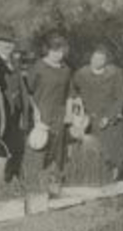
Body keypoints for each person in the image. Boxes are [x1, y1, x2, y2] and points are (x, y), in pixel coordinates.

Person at [21, 34, 72, 188]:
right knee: (39, 147)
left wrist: (68, 113)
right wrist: (35, 113)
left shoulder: (66, 70)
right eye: (54, 50)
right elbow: (28, 92)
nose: (58, 54)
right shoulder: (38, 67)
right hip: (41, 113)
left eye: (61, 51)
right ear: (47, 50)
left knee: (57, 150)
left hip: (60, 115)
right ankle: (33, 184)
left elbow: (70, 94)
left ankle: (53, 184)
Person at [70, 45, 123, 179]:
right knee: (89, 150)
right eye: (95, 58)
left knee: (111, 151)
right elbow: (73, 93)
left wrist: (109, 117)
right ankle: (90, 176)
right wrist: (78, 115)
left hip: (108, 119)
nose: (97, 61)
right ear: (90, 58)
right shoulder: (81, 74)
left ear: (106, 61)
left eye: (101, 59)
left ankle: (113, 178)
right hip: (88, 119)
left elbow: (119, 98)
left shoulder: (115, 74)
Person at [0, 29, 30, 181]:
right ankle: (0, 179)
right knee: (1, 145)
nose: (7, 46)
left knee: (16, 146)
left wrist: (26, 108)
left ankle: (13, 178)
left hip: (15, 113)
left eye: (10, 43)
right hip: (0, 112)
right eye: (3, 42)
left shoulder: (14, 63)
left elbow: (22, 88)